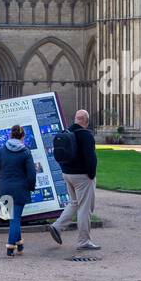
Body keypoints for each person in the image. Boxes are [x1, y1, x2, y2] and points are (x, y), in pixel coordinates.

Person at [48, 108, 99, 251]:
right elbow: (91, 158)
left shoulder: (66, 132)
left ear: (76, 119)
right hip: (82, 176)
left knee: (74, 203)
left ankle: (57, 227)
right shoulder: (85, 135)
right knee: (85, 208)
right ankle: (84, 241)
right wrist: (91, 175)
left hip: (67, 174)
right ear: (86, 121)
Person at [0, 124, 36, 256]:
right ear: (23, 136)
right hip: (20, 188)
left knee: (13, 217)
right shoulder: (26, 152)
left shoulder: (1, 151)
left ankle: (19, 243)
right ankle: (10, 246)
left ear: (10, 135)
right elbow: (32, 174)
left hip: (4, 187)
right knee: (15, 218)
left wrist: (0, 183)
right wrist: (30, 187)